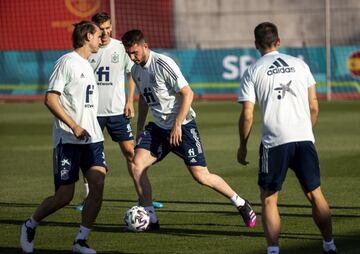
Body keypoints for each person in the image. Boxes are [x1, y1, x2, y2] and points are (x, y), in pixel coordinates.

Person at [121, 29, 257, 231]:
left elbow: (188, 93)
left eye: (135, 52)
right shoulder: (136, 70)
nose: (132, 57)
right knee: (136, 165)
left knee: (201, 176)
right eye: (129, 53)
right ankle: (151, 219)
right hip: (158, 128)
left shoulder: (163, 64)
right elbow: (143, 98)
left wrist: (177, 124)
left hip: (183, 127)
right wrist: (140, 127)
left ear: (145, 46)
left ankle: (240, 203)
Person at [237, 22, 337, 254]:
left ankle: (273, 250)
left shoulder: (253, 71)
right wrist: (305, 132)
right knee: (315, 194)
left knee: (270, 199)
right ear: (278, 42)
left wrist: (242, 146)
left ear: (256, 44)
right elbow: (314, 106)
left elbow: (248, 115)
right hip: (304, 138)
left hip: (274, 142)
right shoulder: (300, 65)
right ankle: (329, 245)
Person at [20, 21, 106, 254]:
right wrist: (74, 126)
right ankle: (30, 223)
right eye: (99, 34)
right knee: (64, 197)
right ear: (88, 36)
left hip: (93, 140)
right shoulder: (67, 62)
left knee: (97, 185)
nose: (102, 38)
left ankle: (81, 240)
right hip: (68, 140)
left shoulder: (89, 64)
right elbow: (50, 99)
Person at [75, 12, 163, 211]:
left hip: (116, 111)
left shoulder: (121, 48)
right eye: (101, 29)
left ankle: (144, 198)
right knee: (88, 155)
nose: (106, 33)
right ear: (94, 30)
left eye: (108, 28)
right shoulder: (88, 50)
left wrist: (129, 101)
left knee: (131, 153)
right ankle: (87, 198)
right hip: (92, 113)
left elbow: (131, 74)